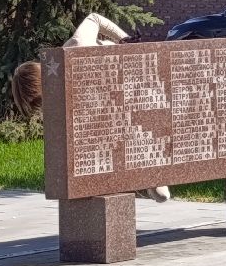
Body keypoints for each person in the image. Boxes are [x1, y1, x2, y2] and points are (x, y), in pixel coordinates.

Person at [12, 12, 170, 203]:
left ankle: (152, 176)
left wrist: (126, 41)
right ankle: (143, 178)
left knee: (160, 192)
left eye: (41, 99)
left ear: (42, 81)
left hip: (132, 79)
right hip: (116, 102)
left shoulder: (78, 47)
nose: (46, 106)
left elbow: (95, 18)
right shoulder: (63, 99)